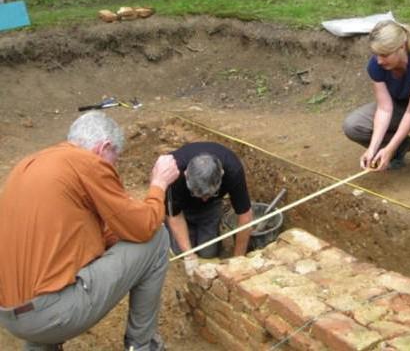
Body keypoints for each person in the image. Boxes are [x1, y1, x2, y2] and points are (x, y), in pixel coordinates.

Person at [0, 111, 179, 351]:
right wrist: (159, 184)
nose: (114, 168)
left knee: (43, 273)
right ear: (103, 147)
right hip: (51, 315)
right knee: (157, 238)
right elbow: (144, 227)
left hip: (11, 316)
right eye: (114, 160)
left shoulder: (32, 164)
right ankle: (143, 345)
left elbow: (94, 233)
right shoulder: (87, 163)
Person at [343, 20, 410, 197]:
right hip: (398, 107)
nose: (379, 60)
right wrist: (373, 148)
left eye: (384, 55)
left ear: (401, 47)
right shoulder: (376, 65)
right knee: (353, 125)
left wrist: (389, 148)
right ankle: (399, 149)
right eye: (376, 54)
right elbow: (385, 109)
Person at [165, 142, 253, 275]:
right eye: (198, 194)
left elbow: (245, 216)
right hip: (182, 210)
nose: (204, 199)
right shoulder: (173, 172)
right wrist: (189, 254)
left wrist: (238, 260)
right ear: (186, 174)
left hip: (211, 210)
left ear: (222, 174)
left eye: (210, 194)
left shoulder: (233, 170)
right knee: (181, 253)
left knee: (208, 253)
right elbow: (174, 216)